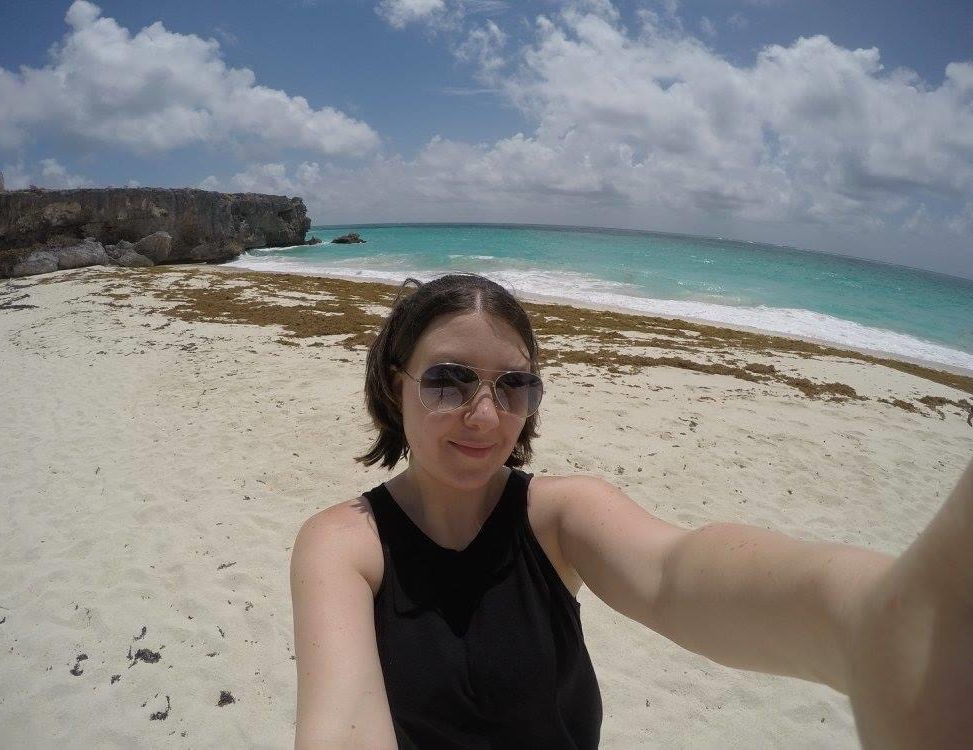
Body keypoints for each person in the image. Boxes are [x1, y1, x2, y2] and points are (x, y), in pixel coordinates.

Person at [290, 273, 972, 749]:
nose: (485, 416)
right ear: (393, 382)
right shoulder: (345, 545)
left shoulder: (560, 516)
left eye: (514, 385)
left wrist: (867, 624)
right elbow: (342, 723)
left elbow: (678, 574)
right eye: (448, 380)